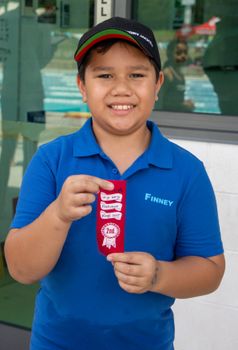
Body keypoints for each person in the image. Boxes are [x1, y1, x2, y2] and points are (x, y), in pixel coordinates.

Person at [4, 17, 225, 350]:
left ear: (158, 83)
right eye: (104, 75)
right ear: (81, 86)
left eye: (136, 75)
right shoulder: (52, 160)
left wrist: (158, 276)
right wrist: (58, 215)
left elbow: (209, 270)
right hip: (56, 342)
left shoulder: (186, 171)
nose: (121, 88)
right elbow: (21, 269)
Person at [156, 39, 194, 112]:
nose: (183, 56)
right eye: (179, 53)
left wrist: (184, 103)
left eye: (185, 53)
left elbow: (174, 99)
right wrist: (183, 106)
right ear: (170, 54)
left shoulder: (179, 74)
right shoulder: (168, 74)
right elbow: (159, 102)